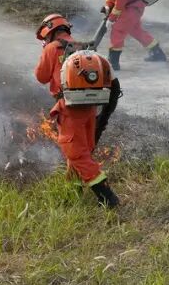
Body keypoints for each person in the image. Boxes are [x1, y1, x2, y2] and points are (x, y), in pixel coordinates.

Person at [34, 13, 120, 208]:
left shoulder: (51, 48)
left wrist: (47, 53)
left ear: (49, 32)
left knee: (75, 153)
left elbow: (41, 76)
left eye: (45, 38)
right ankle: (73, 193)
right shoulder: (85, 47)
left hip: (70, 109)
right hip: (91, 107)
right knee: (82, 150)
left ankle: (107, 197)